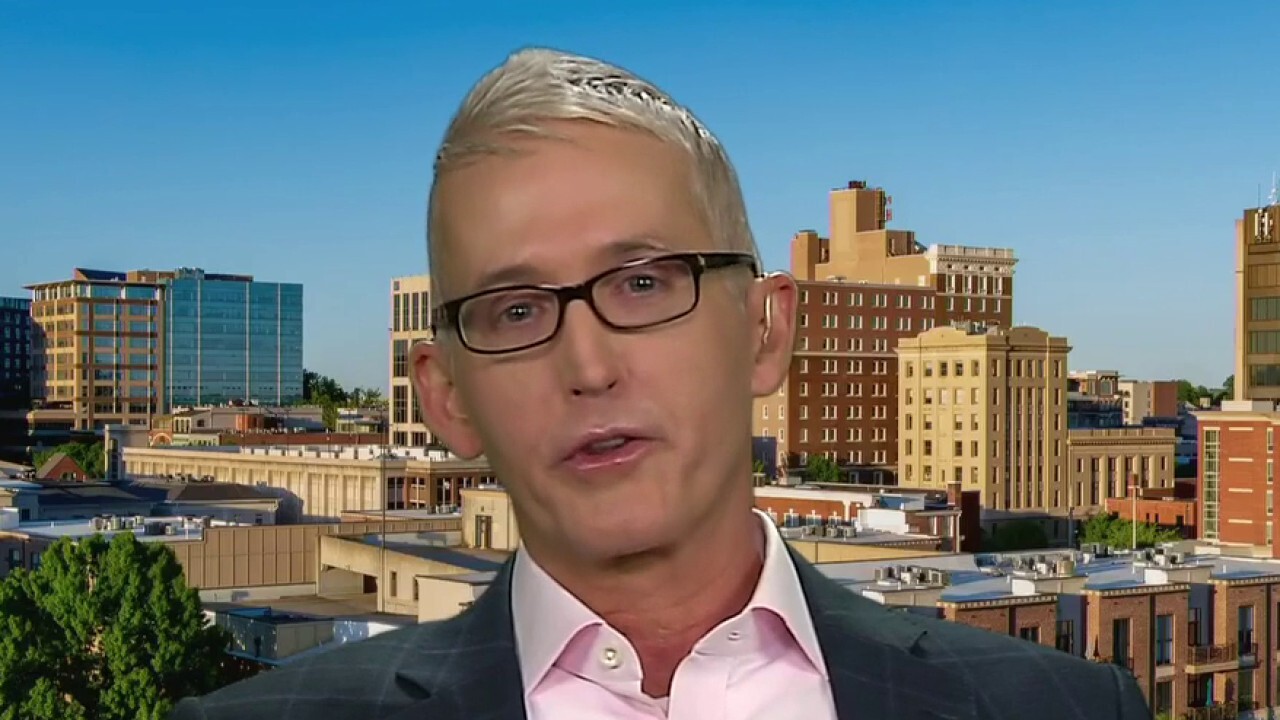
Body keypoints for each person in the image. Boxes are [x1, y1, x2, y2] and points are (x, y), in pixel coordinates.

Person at [170, 47, 1150, 720]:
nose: (588, 366)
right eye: (515, 311)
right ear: (447, 396)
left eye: (643, 283)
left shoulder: (1063, 707)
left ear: (765, 330)